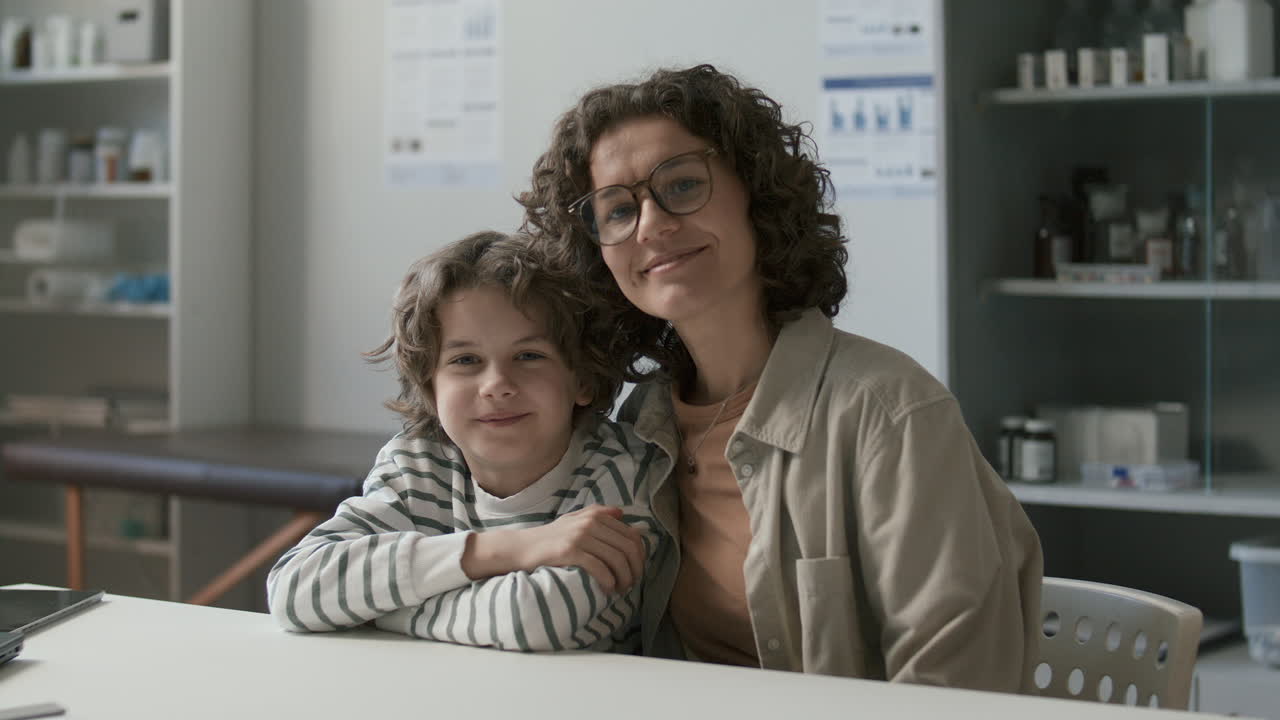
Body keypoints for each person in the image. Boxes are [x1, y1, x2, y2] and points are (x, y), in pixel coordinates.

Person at [519, 65, 1043, 690]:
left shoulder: (889, 412)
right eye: (617, 209)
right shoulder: (640, 423)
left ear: (757, 194)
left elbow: (957, 692)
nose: (652, 225)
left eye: (683, 184)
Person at [267, 231, 665, 652]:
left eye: (529, 355)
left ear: (581, 378)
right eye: (465, 361)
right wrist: (508, 547)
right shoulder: (417, 462)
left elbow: (536, 619)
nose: (497, 385)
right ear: (430, 387)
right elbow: (295, 589)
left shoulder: (623, 472)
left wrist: (373, 609)